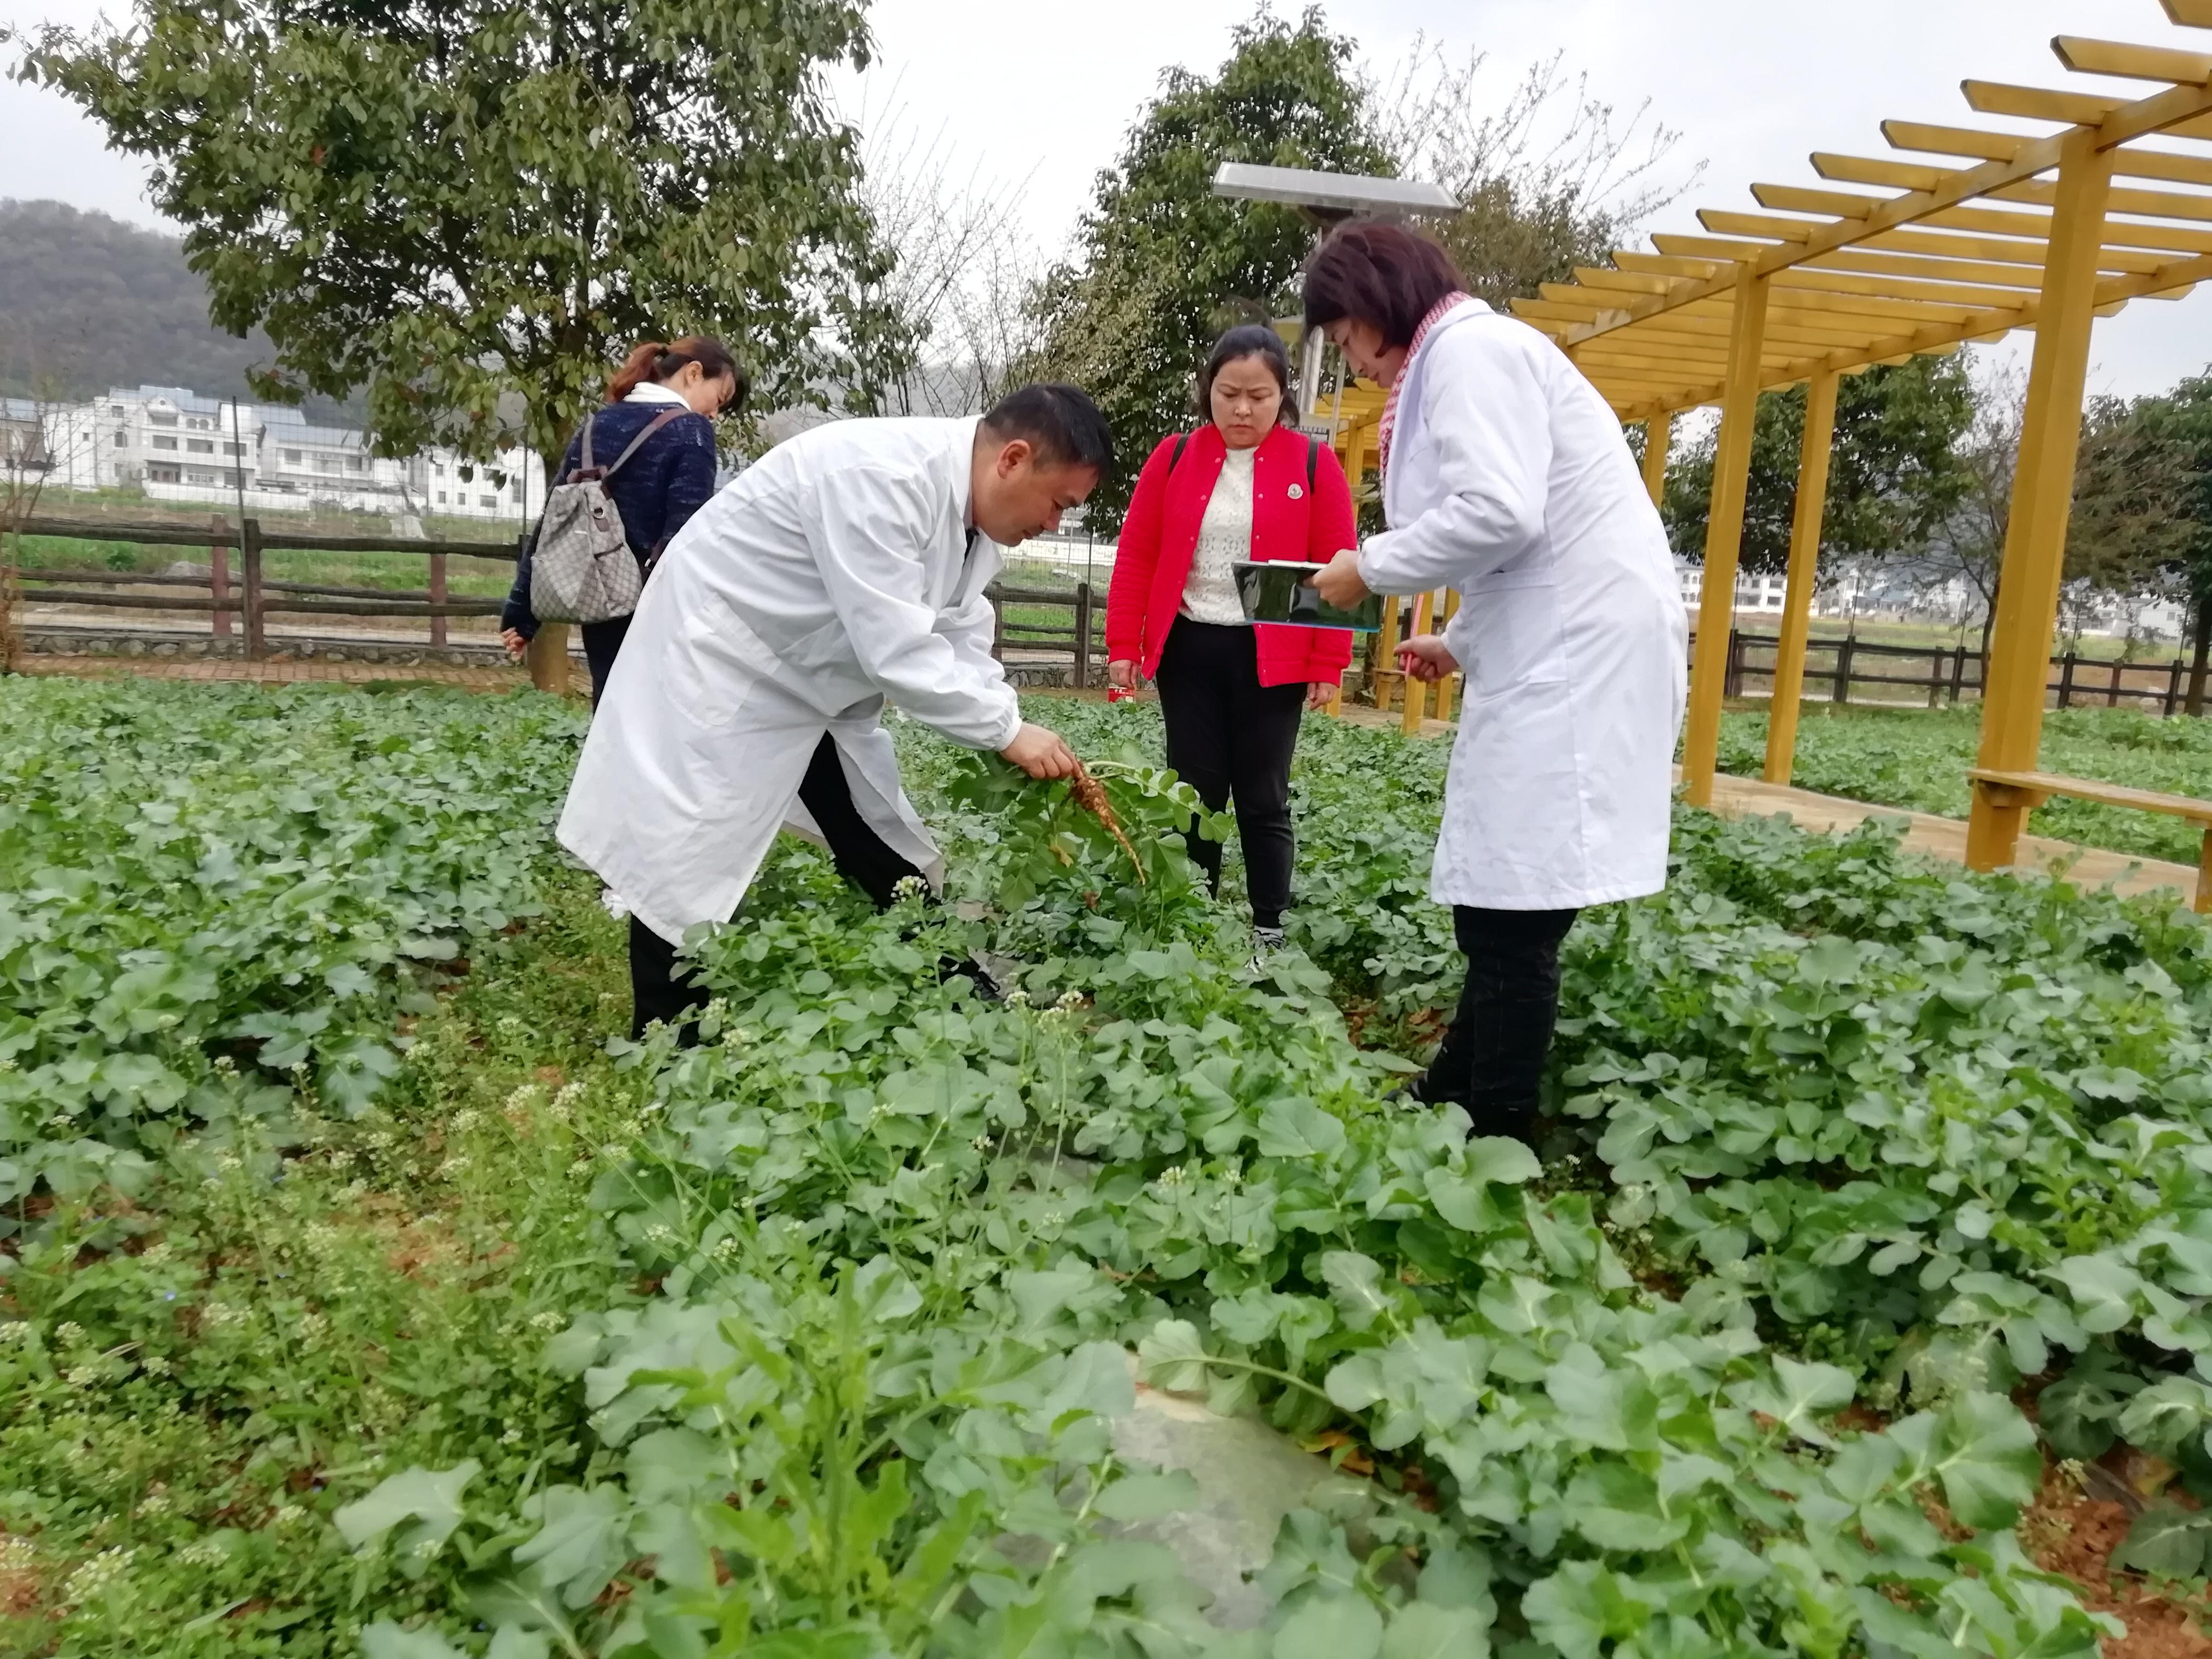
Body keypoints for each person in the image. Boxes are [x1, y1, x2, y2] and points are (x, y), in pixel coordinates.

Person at [556, 384, 1107, 1040]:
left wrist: (1001, 715)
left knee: (872, 826)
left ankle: (959, 986)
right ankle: (665, 1038)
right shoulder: (880, 478)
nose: (1052, 524)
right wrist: (1006, 730)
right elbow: (897, 650)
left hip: (809, 672)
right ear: (1012, 459)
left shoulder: (972, 520)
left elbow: (959, 630)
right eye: (1058, 505)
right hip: (725, 653)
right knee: (683, 847)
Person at [1303, 222, 1687, 1148]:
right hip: (1562, 633)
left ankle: (1499, 1123)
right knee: (1505, 895)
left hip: (1578, 649)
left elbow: (1499, 512)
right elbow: (1530, 537)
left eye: (1347, 333)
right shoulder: (1462, 355)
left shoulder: (1472, 353)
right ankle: (1459, 1087)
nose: (1354, 359)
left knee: (1515, 903)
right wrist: (1463, 641)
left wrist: (1371, 566)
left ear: (1379, 301)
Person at [1104, 324, 1356, 948]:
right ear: (1207, 392)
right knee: (1193, 793)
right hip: (1189, 651)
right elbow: (1137, 554)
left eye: (1259, 396)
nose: (1242, 409)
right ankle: (1192, 923)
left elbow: (1338, 564)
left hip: (1271, 657)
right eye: (1228, 393)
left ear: (1282, 398)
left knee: (1263, 797)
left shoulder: (1312, 464)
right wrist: (1121, 648)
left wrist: (1329, 661)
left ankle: (1268, 929)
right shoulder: (1173, 458)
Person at [500, 337, 745, 705]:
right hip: (655, 610)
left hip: (600, 605)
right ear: (694, 374)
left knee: (611, 715)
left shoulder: (596, 425)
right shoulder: (691, 431)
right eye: (720, 400)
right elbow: (686, 537)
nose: (714, 414)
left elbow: (553, 521)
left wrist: (522, 615)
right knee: (656, 725)